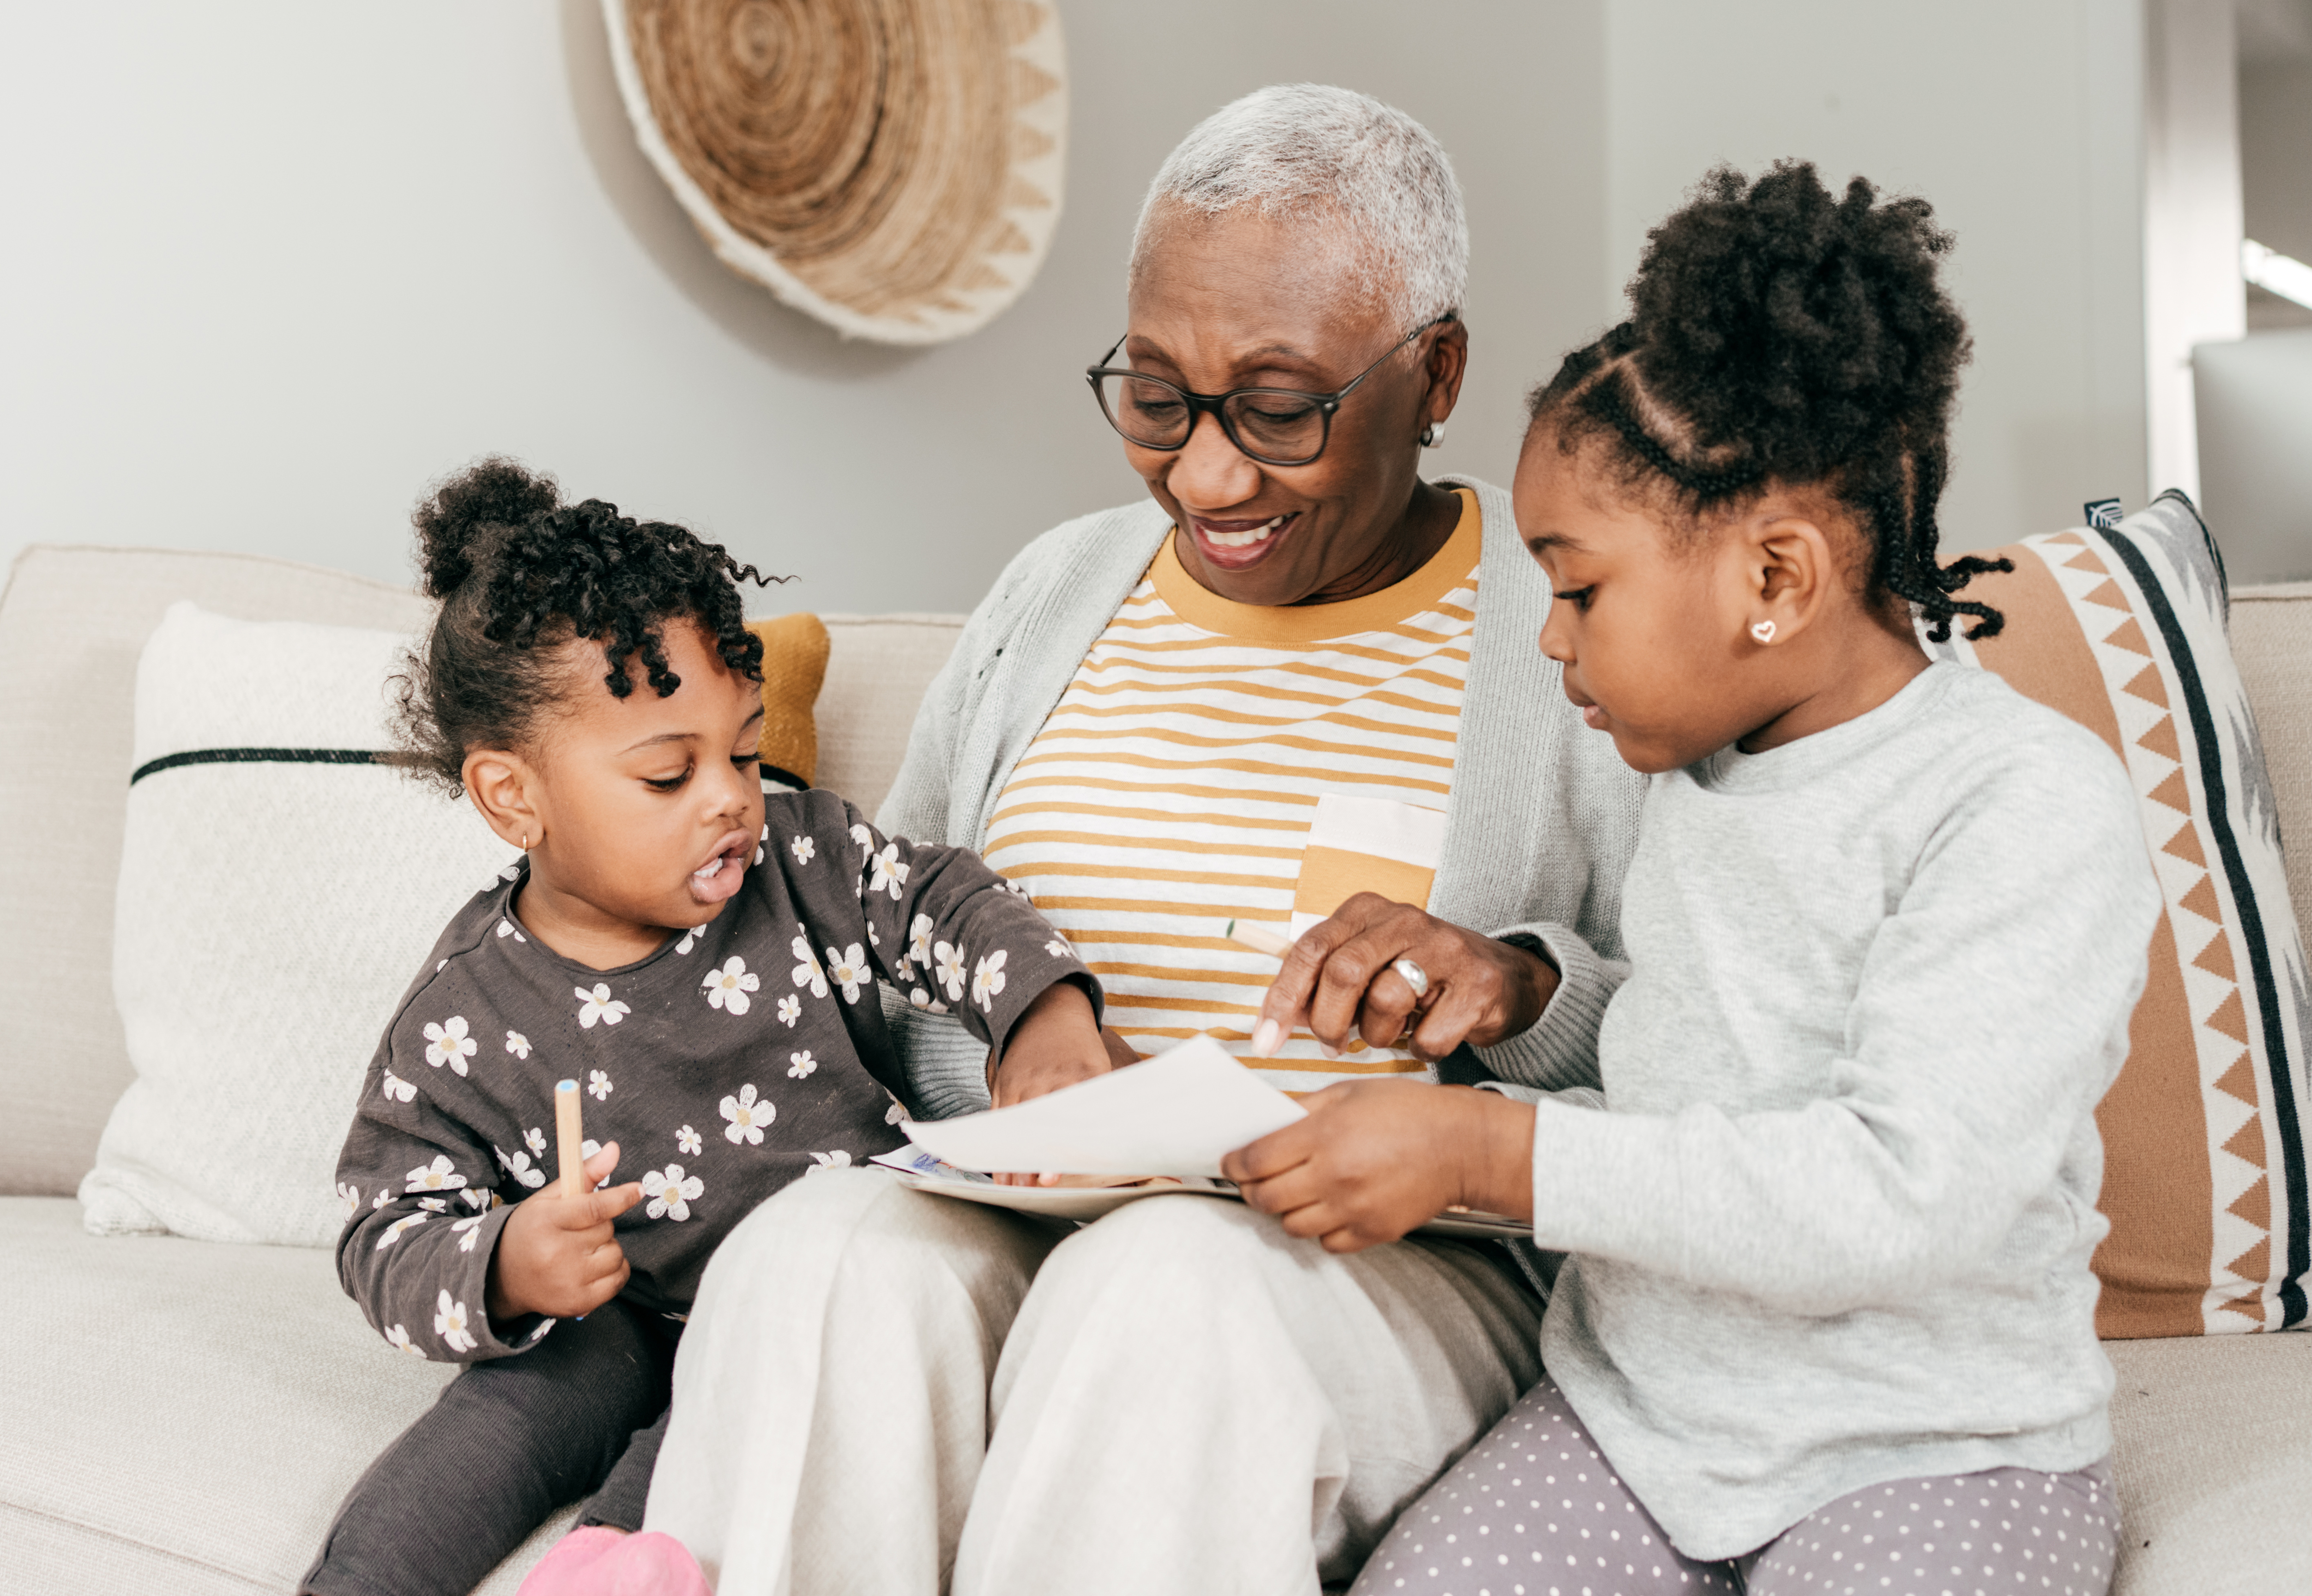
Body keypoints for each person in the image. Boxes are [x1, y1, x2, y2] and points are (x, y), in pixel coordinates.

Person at [640, 86, 1647, 1594]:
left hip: (1390, 1267)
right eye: (1157, 397)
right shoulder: (1055, 590)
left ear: (1433, 373)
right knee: (815, 1257)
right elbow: (873, 928)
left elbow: (1722, 1037)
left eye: (1281, 406)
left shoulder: (1572, 613)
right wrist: (1002, 1039)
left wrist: (1514, 984)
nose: (1206, 474)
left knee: (1162, 1286)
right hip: (1009, 1206)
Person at [1338, 161, 2155, 1596]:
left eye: (1578, 588)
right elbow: (1697, 1048)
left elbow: (1898, 1192)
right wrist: (1524, 991)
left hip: (1930, 1452)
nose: (1550, 641)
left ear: (1776, 579)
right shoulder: (1690, 771)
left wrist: (1494, 1159)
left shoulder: (2021, 801)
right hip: (1638, 1428)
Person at [302, 460, 1111, 1596]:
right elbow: (382, 1227)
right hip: (614, 1319)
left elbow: (945, 901)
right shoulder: (463, 1017)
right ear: (513, 798)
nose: (731, 798)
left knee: (699, 1466)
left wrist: (1041, 1016)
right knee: (488, 1435)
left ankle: (618, 1568)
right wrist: (506, 1263)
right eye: (670, 774)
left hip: (803, 1312)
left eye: (742, 751)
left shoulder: (804, 860)